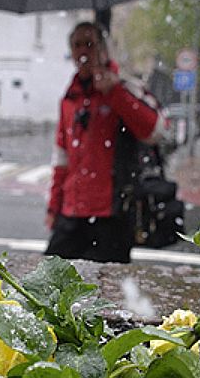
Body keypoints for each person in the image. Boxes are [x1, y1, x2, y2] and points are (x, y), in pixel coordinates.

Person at [45, 21, 164, 263]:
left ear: (103, 49)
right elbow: (61, 157)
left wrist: (114, 92)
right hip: (72, 211)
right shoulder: (70, 98)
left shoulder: (125, 87)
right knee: (49, 284)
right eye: (77, 45)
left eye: (89, 44)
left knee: (106, 290)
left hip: (112, 213)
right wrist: (54, 207)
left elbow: (155, 130)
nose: (83, 52)